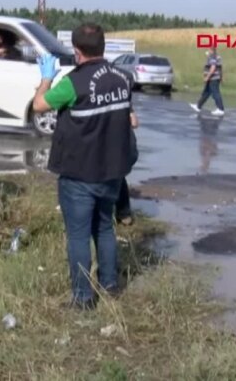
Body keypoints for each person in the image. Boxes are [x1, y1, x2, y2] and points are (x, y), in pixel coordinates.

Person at [32, 23, 137, 311]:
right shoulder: (123, 78)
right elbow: (130, 117)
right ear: (103, 47)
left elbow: (39, 105)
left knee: (78, 235)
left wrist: (46, 78)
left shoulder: (72, 83)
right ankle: (110, 285)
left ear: (77, 52)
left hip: (79, 174)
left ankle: (82, 298)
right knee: (104, 228)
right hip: (112, 172)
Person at [116, 111, 139, 226]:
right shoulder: (121, 97)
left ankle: (123, 213)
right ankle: (124, 214)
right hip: (129, 150)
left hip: (120, 151)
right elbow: (135, 123)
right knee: (117, 176)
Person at [190, 47, 225, 116]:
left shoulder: (212, 57)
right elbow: (220, 68)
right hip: (214, 78)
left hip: (213, 78)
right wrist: (221, 77)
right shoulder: (217, 56)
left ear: (211, 50)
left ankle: (220, 109)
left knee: (215, 93)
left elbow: (213, 67)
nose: (208, 51)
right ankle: (198, 106)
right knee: (206, 92)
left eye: (209, 50)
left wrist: (207, 77)